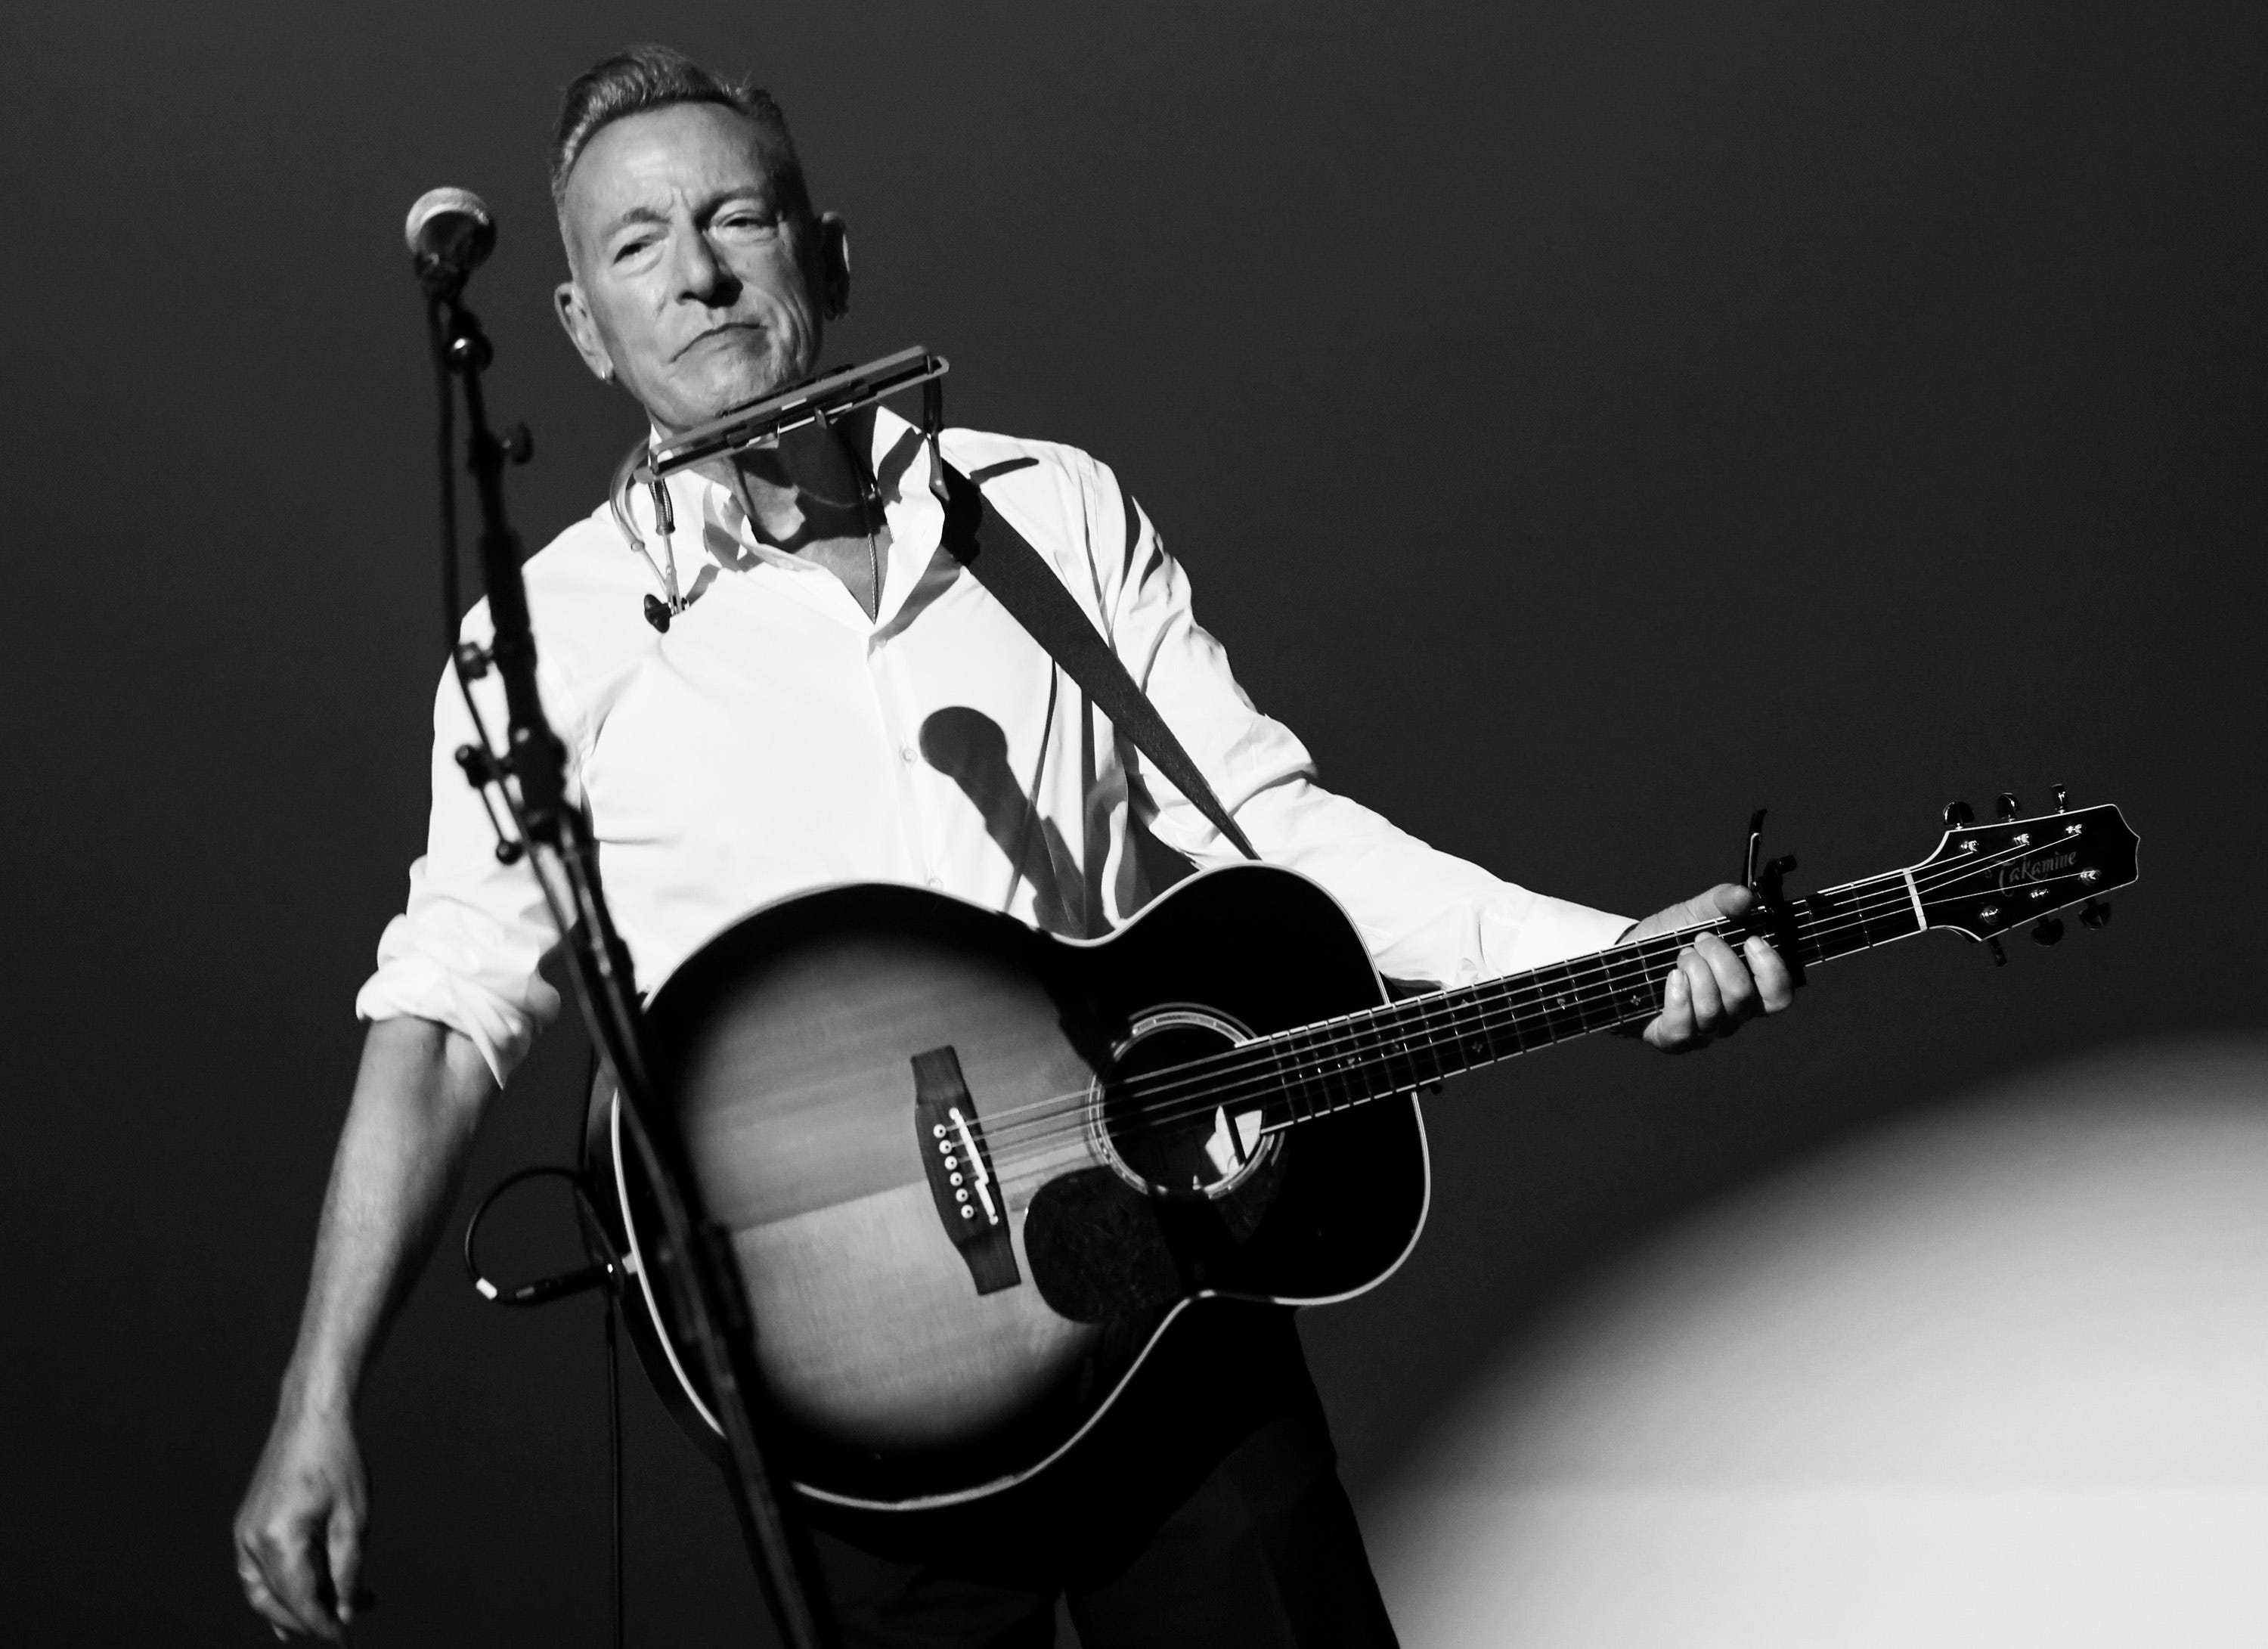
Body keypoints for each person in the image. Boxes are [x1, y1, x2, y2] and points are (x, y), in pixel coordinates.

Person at [234, 45, 1792, 1647]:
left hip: (1170, 1308)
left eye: (737, 220)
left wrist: (1602, 955)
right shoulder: (546, 639)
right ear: (582, 326)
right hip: (862, 1399)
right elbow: (443, 1022)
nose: (697, 275)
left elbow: (1272, 833)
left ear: (829, 255)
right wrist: (318, 1398)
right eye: (639, 244)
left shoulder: (1049, 512)